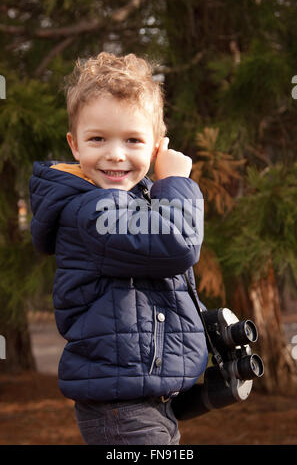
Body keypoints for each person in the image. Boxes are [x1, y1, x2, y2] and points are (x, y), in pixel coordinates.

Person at [29, 52, 208, 445]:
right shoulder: (90, 211)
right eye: (97, 139)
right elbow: (178, 244)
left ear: (156, 147)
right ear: (74, 145)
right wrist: (174, 181)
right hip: (120, 408)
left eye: (132, 140)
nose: (115, 153)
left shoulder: (133, 206)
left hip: (147, 400)